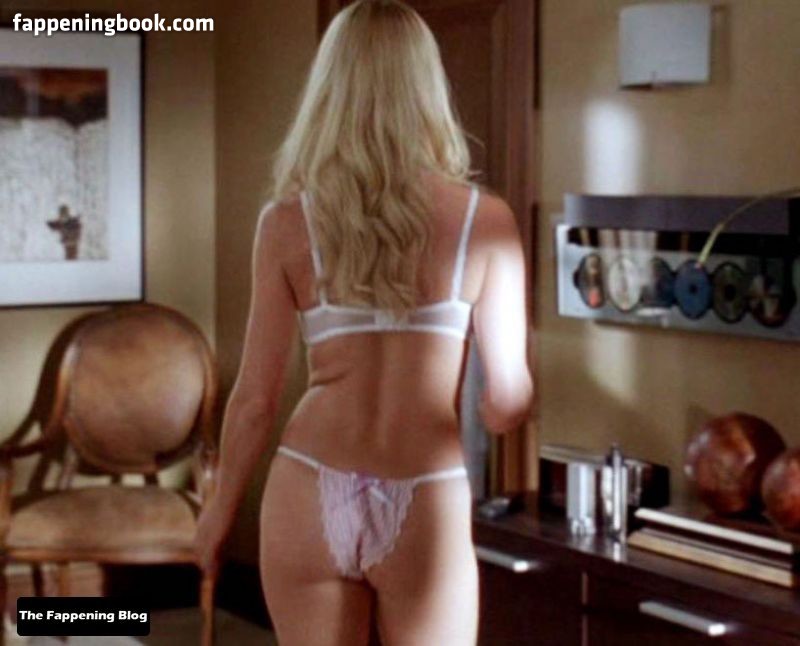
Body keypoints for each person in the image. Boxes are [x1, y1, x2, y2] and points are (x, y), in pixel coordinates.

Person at [194, 1, 533, 644]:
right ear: (427, 88)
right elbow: (508, 403)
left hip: (307, 484)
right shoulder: (484, 222)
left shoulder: (285, 223)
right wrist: (491, 401)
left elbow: (255, 401)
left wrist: (218, 513)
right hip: (424, 493)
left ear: (330, 91)